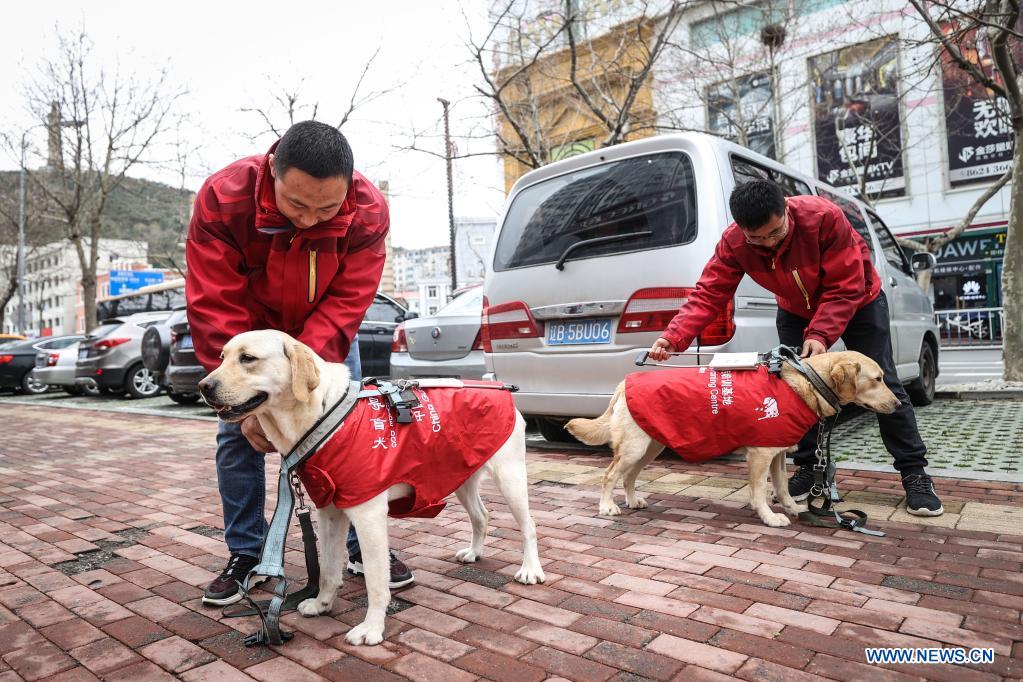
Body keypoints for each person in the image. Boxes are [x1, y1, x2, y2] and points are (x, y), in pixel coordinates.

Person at [186, 121, 414, 607]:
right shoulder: (223, 197)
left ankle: (360, 547)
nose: (310, 220)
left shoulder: (369, 210)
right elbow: (214, 302)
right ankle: (246, 553)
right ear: (272, 171)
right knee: (235, 436)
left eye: (326, 208)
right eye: (296, 205)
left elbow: (348, 299)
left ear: (348, 188)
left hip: (324, 332)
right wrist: (249, 406)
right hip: (249, 329)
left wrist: (302, 373)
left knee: (348, 431)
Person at [648, 179, 943, 516]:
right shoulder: (734, 242)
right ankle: (807, 468)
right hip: (794, 309)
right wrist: (673, 337)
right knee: (795, 390)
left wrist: (818, 333)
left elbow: (845, 285)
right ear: (740, 229)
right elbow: (709, 293)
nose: (767, 244)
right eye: (755, 239)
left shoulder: (824, 217)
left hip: (859, 300)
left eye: (774, 234)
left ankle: (914, 474)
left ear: (786, 210)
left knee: (883, 381)